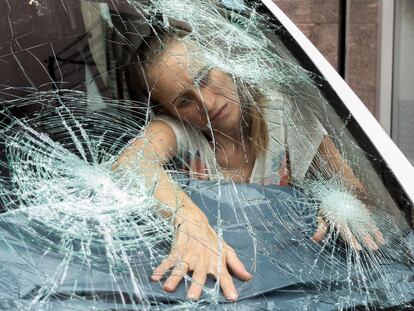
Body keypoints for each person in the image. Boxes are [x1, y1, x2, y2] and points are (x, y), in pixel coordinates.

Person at [113, 29, 384, 301]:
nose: (205, 103)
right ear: (171, 113)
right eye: (184, 101)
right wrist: (189, 222)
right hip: (215, 292)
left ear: (226, 62)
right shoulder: (180, 133)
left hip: (298, 286)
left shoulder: (285, 113)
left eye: (204, 77)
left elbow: (357, 191)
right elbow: (129, 165)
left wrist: (337, 199)